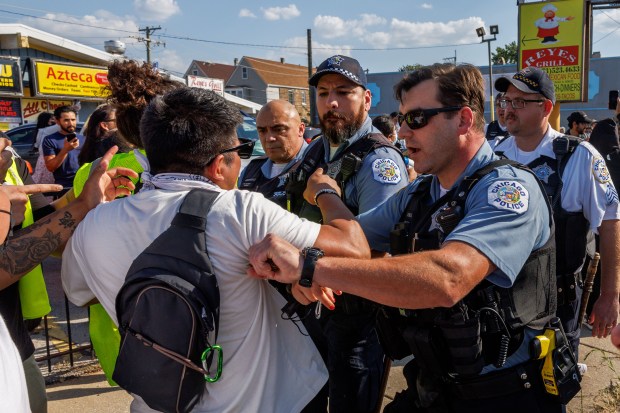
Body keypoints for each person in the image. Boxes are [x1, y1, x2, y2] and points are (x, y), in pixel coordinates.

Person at [248, 63, 562, 412]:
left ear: (463, 120)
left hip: (506, 395)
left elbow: (448, 278)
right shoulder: (420, 194)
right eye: (401, 119)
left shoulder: (507, 189)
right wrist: (289, 252)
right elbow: (352, 241)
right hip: (437, 384)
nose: (402, 132)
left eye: (416, 119)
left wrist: (311, 269)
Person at [61, 87, 371, 412]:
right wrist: (325, 191)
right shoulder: (240, 210)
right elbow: (354, 248)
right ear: (220, 164)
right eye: (243, 147)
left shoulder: (95, 225)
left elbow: (78, 291)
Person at [286, 55, 408, 412]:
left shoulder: (379, 161)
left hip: (356, 320)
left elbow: (378, 252)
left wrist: (314, 271)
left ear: (367, 99)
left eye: (343, 92)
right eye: (323, 93)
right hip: (309, 309)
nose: (332, 102)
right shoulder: (318, 148)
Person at [493, 67, 620, 370]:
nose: (508, 110)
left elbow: (611, 221)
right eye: (506, 101)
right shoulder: (494, 155)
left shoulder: (581, 157)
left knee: (552, 386)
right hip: (503, 301)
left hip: (557, 304)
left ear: (546, 108)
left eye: (519, 102)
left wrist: (610, 295)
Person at [0, 145, 136, 411]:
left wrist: (82, 200)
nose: (5, 143)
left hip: (14, 340)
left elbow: (40, 224)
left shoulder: (11, 162)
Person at [238, 99, 308, 208]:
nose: (269, 138)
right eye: (262, 131)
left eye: (279, 129)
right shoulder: (250, 171)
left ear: (300, 129)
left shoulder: (318, 166)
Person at [42, 106, 84, 190]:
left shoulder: (84, 138)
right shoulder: (50, 140)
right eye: (66, 120)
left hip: (84, 183)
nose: (71, 123)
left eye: (73, 120)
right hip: (65, 186)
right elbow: (50, 167)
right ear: (57, 121)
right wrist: (65, 150)